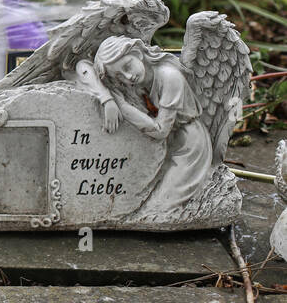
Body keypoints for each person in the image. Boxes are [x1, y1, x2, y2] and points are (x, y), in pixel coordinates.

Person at [88, 35, 209, 213]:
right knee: (147, 200)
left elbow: (161, 131)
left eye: (127, 66)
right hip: (168, 145)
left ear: (138, 53)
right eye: (119, 76)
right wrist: (107, 99)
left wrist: (122, 106)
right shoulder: (139, 81)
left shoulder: (169, 77)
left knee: (164, 206)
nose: (128, 76)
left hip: (189, 145)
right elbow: (79, 67)